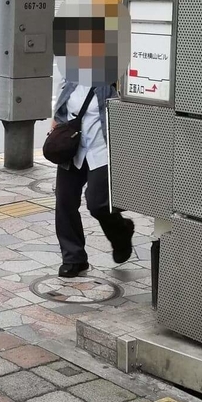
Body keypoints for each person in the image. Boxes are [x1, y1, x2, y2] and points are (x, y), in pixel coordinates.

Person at [51, 25, 134, 277]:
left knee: (98, 204)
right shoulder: (71, 72)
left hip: (101, 147)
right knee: (65, 202)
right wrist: (55, 121)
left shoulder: (113, 77)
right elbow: (61, 97)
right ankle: (74, 258)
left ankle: (121, 233)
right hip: (74, 146)